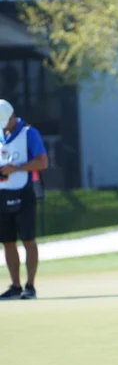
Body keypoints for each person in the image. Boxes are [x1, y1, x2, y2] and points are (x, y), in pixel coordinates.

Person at [0, 100, 48, 300]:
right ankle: (15, 286)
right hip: (3, 195)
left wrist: (17, 168)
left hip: (24, 193)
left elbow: (42, 162)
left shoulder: (29, 133)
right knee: (8, 242)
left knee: (29, 240)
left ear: (12, 116)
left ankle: (30, 286)